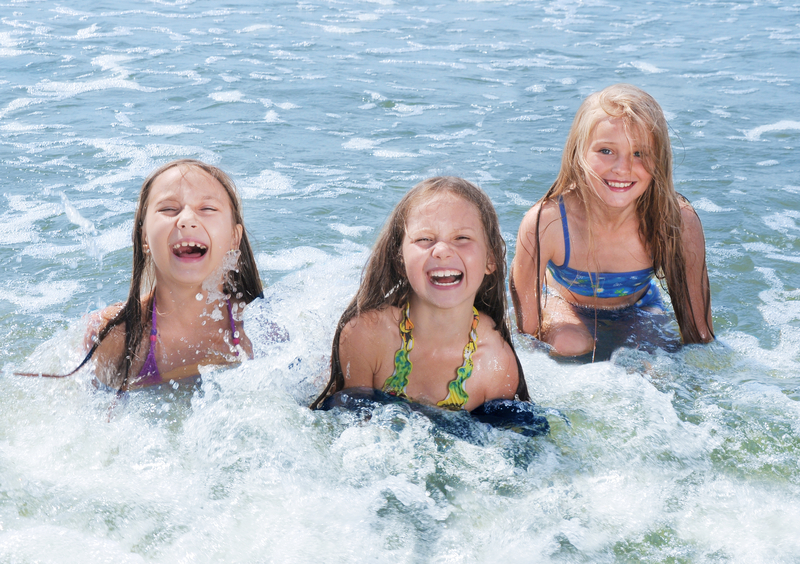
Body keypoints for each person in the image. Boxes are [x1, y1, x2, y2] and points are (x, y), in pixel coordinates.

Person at [19, 159, 266, 391]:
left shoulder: (261, 329)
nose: (187, 219)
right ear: (144, 238)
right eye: (169, 208)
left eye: (208, 208)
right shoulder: (114, 336)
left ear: (235, 237)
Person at [511, 83, 714, 357]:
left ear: (660, 160)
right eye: (606, 150)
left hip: (637, 306)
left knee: (658, 364)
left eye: (640, 153)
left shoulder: (676, 221)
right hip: (563, 303)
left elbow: (700, 333)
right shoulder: (548, 222)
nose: (623, 168)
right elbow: (526, 335)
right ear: (578, 153)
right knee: (569, 344)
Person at [311, 176, 530, 411]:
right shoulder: (367, 336)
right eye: (425, 239)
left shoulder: (496, 365)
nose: (442, 251)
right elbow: (347, 429)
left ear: (490, 259)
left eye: (462, 238)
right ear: (399, 260)